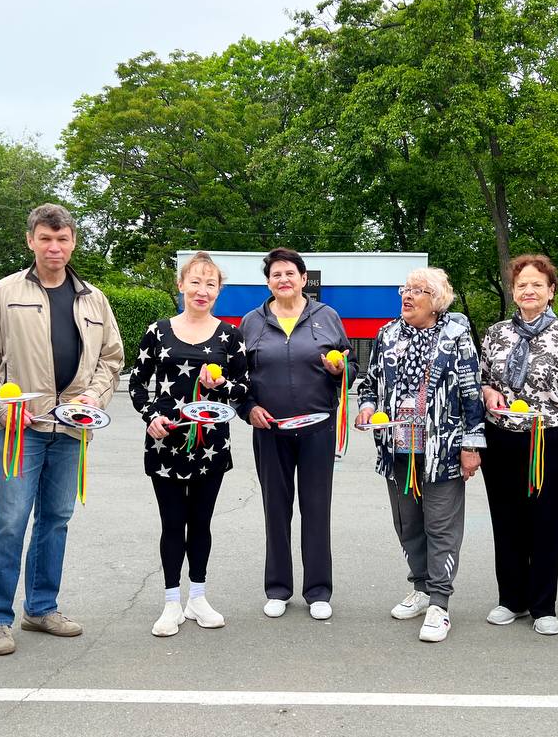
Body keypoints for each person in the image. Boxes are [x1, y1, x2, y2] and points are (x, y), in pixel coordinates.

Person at [0, 203, 124, 656]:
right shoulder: (3, 293)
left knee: (55, 520)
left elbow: (111, 360)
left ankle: (41, 608)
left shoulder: (93, 298)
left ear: (73, 242)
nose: (54, 247)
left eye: (62, 239)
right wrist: (4, 406)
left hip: (73, 429)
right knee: (9, 521)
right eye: (45, 238)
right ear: (31, 241)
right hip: (21, 427)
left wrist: (93, 399)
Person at [355, 267, 486, 643]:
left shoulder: (456, 336)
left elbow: (471, 394)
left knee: (441, 527)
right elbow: (371, 383)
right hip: (398, 447)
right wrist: (366, 407)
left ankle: (440, 604)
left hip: (442, 448)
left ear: (437, 300)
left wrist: (472, 445)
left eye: (418, 291)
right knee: (408, 524)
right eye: (405, 289)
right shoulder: (387, 334)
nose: (407, 296)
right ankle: (421, 587)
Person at [128, 252, 250, 636]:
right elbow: (136, 383)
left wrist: (221, 385)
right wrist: (151, 418)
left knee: (200, 521)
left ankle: (198, 596)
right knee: (172, 523)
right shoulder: (157, 331)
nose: (202, 290)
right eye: (195, 282)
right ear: (180, 285)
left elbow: (244, 388)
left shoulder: (231, 335)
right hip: (166, 440)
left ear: (219, 291)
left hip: (211, 442)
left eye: (211, 284)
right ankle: (170, 602)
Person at [478, 255, 558, 636]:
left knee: (546, 523)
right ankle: (511, 599)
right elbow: (479, 380)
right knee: (506, 521)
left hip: (551, 440)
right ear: (513, 292)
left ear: (551, 292)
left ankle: (544, 604)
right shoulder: (496, 333)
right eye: (522, 284)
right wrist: (489, 390)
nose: (529, 290)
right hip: (502, 438)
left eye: (537, 285)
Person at [240, 248, 352, 621]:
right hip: (270, 429)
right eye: (276, 275)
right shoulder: (251, 322)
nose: (283, 279)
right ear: (269, 282)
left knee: (317, 509)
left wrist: (339, 371)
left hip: (317, 427)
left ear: (304, 279)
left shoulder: (327, 317)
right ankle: (278, 588)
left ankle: (318, 591)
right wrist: (249, 408)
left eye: (290, 273)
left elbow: (348, 364)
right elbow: (241, 378)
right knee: (276, 508)